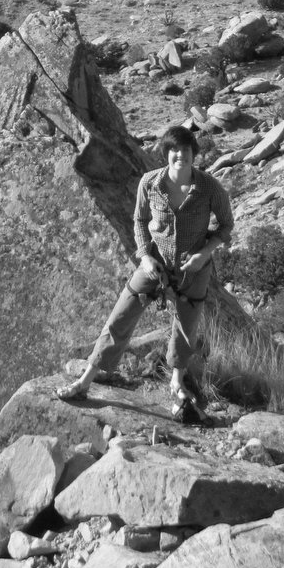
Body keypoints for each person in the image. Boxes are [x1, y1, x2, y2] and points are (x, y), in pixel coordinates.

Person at [56, 124, 234, 421]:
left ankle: (176, 381)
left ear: (194, 153)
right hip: (154, 264)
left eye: (186, 150)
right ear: (166, 153)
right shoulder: (150, 183)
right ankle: (85, 380)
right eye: (174, 150)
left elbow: (226, 225)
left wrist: (204, 254)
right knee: (120, 317)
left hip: (192, 270)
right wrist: (144, 257)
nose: (180, 155)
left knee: (186, 328)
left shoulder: (209, 188)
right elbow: (139, 220)